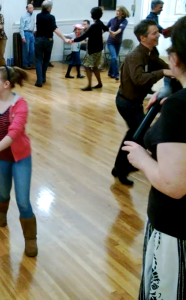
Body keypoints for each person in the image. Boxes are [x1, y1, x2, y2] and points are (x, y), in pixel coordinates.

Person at [122, 16, 186, 299]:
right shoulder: (175, 100)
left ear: (175, 58)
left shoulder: (178, 109)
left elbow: (175, 186)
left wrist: (142, 159)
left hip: (177, 225)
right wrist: (167, 88)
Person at [0, 66, 38, 257]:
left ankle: (31, 239)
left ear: (6, 84)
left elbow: (14, 133)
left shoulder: (20, 104)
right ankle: (1, 212)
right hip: (0, 159)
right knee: (4, 193)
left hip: (20, 158)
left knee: (23, 201)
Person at [111, 19, 172, 185]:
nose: (158, 35)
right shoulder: (135, 56)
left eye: (157, 32)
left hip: (135, 103)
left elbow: (162, 65)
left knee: (134, 135)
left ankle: (120, 168)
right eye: (154, 33)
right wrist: (163, 72)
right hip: (126, 103)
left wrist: (175, 71)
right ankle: (122, 169)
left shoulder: (151, 52)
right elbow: (138, 79)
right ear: (142, 37)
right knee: (139, 136)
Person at [34, 1, 70, 87]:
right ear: (48, 7)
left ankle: (39, 80)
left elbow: (39, 27)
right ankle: (43, 77)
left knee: (38, 60)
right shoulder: (51, 17)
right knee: (46, 59)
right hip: (48, 40)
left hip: (38, 40)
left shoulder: (38, 16)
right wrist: (64, 38)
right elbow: (55, 29)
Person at [72, 7, 109, 91]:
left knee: (87, 66)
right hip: (99, 49)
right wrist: (110, 32)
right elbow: (106, 28)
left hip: (93, 50)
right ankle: (99, 83)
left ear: (93, 15)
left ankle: (89, 85)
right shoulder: (99, 23)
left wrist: (73, 40)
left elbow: (84, 36)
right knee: (95, 66)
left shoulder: (94, 25)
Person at [107, 6, 130, 81]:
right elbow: (105, 28)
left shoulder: (124, 21)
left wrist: (114, 33)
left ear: (122, 12)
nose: (117, 12)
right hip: (110, 42)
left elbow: (121, 29)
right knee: (114, 58)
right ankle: (116, 75)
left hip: (118, 43)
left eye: (118, 11)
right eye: (116, 11)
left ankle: (110, 72)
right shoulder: (112, 20)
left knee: (114, 58)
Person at [19, 4, 35, 70]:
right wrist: (23, 37)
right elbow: (21, 28)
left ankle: (31, 64)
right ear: (27, 9)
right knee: (26, 50)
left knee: (32, 50)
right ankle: (25, 64)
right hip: (26, 33)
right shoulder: (23, 16)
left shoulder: (33, 15)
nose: (31, 9)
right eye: (30, 8)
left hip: (31, 33)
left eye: (32, 8)